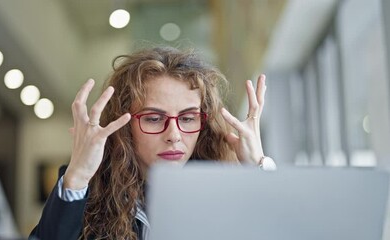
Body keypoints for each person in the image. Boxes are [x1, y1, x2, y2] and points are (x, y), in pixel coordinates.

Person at [29, 46, 275, 240]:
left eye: (188, 118)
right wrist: (78, 176)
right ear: (124, 125)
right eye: (154, 118)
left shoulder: (223, 192)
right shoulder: (85, 192)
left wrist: (259, 170)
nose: (174, 135)